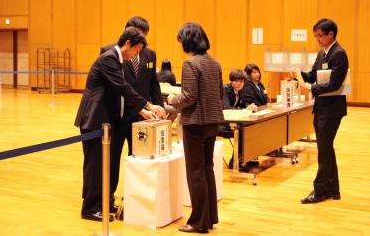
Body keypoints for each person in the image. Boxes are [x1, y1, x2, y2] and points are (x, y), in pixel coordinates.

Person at [75, 27, 159, 222]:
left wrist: (143, 111)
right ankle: (89, 208)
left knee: (102, 164)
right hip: (94, 118)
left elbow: (122, 91)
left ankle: (101, 202)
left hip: (105, 119)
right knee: (94, 166)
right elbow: (123, 87)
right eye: (136, 49)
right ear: (128, 43)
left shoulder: (118, 59)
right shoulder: (109, 58)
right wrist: (147, 104)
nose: (137, 54)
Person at [100, 17, 166, 209]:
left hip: (142, 117)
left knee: (139, 159)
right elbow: (118, 86)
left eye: (145, 35)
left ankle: (135, 196)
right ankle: (108, 197)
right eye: (138, 34)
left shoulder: (150, 55)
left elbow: (153, 84)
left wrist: (158, 107)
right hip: (119, 116)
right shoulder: (109, 52)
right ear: (128, 33)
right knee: (113, 158)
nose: (142, 39)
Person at [168, 22, 224, 233]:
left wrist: (173, 99)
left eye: (181, 40)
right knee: (207, 168)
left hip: (195, 124)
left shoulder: (191, 64)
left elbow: (189, 97)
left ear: (189, 40)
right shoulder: (214, 63)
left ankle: (199, 221)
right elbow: (220, 95)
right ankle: (209, 217)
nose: (180, 44)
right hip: (212, 122)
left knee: (196, 172)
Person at [290, 18, 348, 204]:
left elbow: (334, 84)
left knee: (324, 151)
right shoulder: (322, 53)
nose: (317, 39)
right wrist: (299, 74)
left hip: (332, 109)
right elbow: (313, 75)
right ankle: (333, 189)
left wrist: (311, 88)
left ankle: (320, 191)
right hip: (322, 108)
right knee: (326, 149)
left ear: (331, 34)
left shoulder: (339, 54)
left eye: (320, 36)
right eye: (315, 36)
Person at [221, 69, 256, 169]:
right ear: (231, 81)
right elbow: (227, 108)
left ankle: (247, 158)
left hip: (234, 120)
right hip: (222, 123)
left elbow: (244, 103)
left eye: (241, 81)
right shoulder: (225, 90)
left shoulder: (241, 91)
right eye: (236, 81)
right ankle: (235, 162)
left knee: (252, 127)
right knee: (242, 131)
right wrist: (244, 109)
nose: (239, 83)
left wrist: (250, 106)